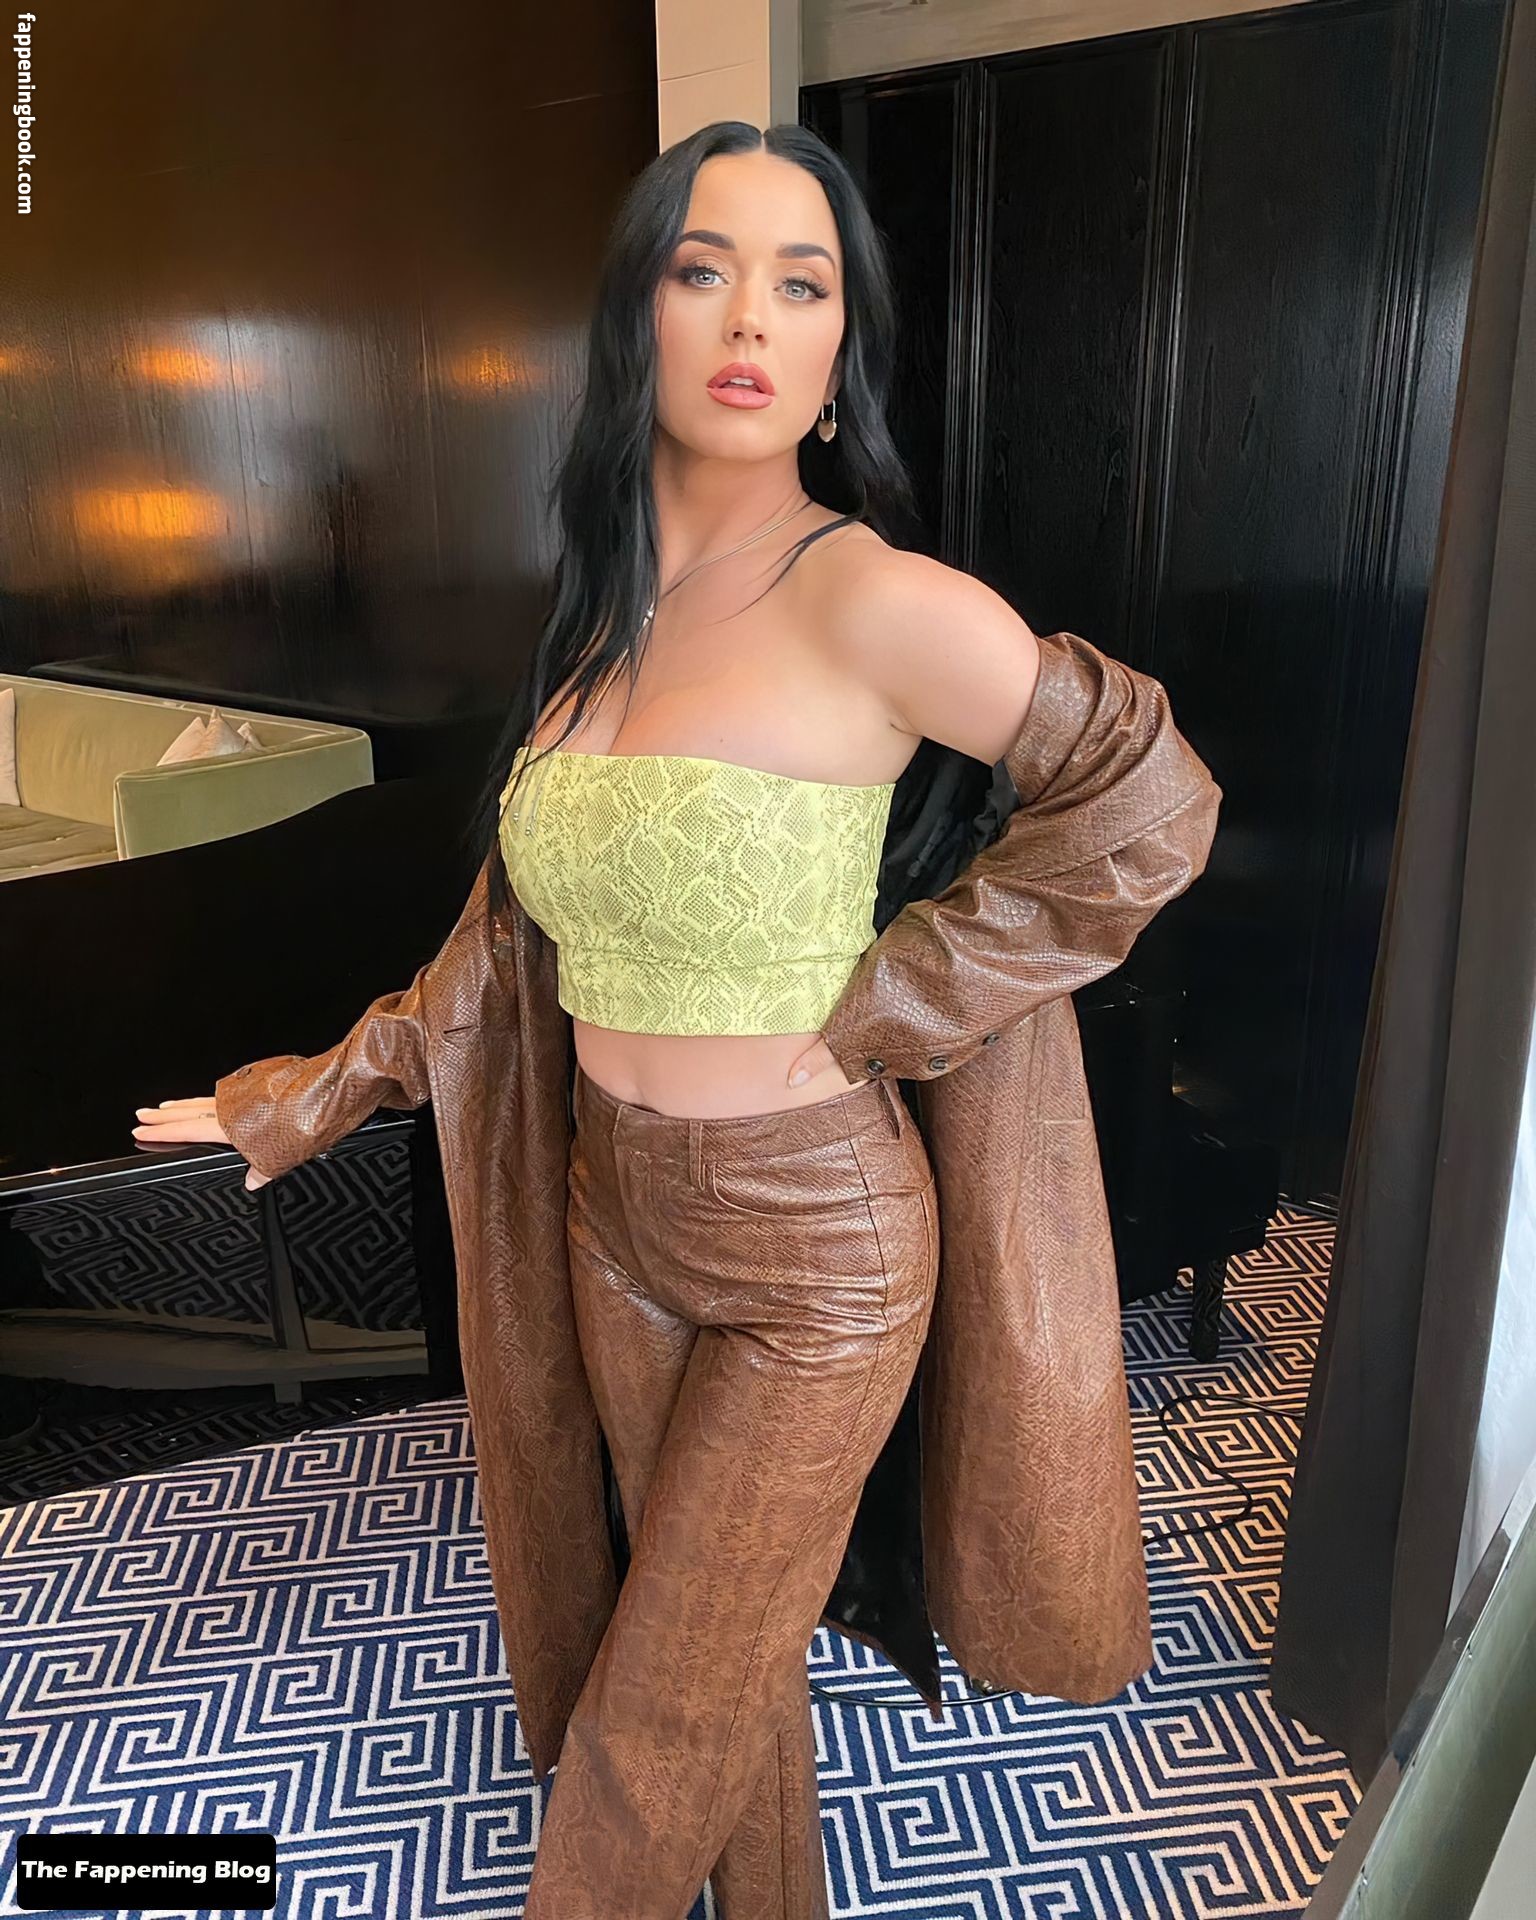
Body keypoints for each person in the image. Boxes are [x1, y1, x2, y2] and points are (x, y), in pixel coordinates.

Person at [133, 122, 1222, 1920]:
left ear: (839, 353)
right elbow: (502, 952)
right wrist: (304, 1096)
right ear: (635, 313)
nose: (751, 316)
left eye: (805, 283)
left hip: (819, 1241)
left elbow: (1151, 800)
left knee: (651, 1719)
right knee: (719, 1655)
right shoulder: (602, 635)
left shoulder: (873, 598)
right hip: (608, 1208)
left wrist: (899, 996)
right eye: (703, 267)